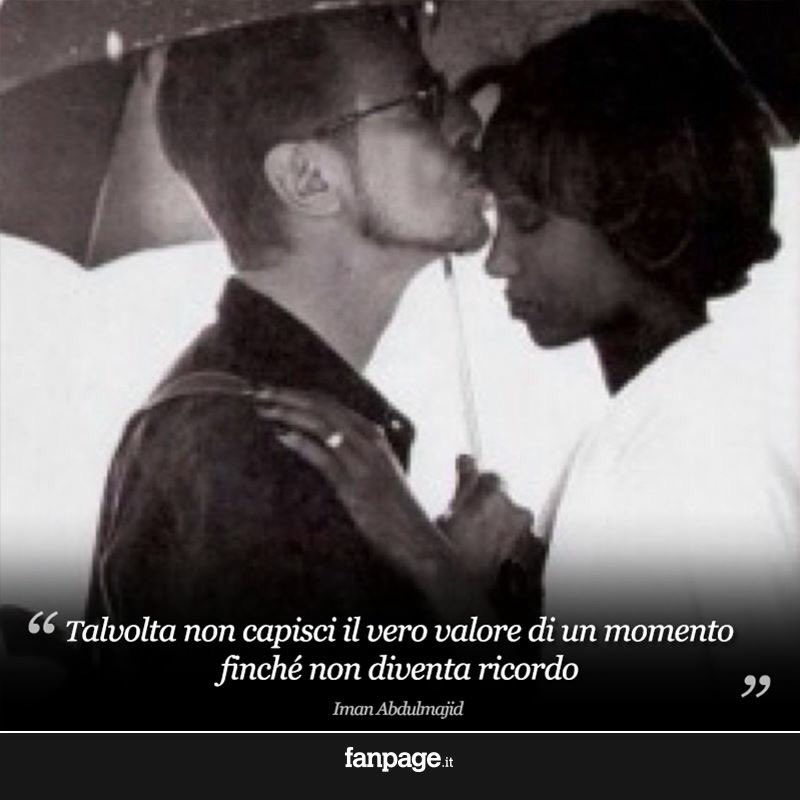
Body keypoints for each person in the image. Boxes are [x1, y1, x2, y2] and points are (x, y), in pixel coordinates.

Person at [82, 8, 538, 729]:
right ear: (308, 177)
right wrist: (452, 586)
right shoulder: (253, 452)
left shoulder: (280, 429)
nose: (464, 122)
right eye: (422, 100)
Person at [477, 10, 800, 709]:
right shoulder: (707, 408)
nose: (496, 262)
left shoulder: (668, 456)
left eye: (526, 219)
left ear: (642, 205)